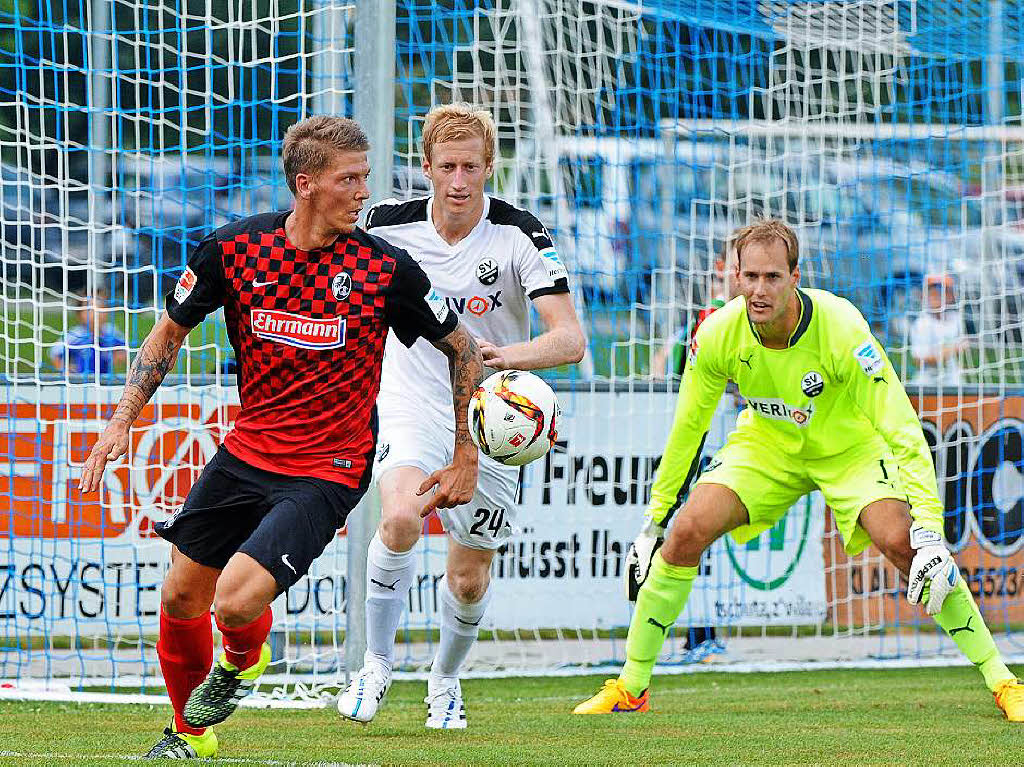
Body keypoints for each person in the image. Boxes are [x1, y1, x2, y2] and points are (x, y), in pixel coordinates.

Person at [78, 115, 485, 759]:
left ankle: (226, 681)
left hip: (330, 464)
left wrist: (466, 451)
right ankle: (196, 736)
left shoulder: (385, 269)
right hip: (247, 451)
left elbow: (461, 348)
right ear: (305, 184)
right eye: (348, 180)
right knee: (181, 595)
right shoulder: (233, 250)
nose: (363, 194)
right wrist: (123, 419)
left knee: (235, 602)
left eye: (365, 179)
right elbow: (167, 335)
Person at [573, 218, 1023, 721]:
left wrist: (933, 532)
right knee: (685, 532)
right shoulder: (718, 333)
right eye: (750, 278)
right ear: (735, 277)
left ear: (795, 277)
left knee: (905, 545)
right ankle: (631, 687)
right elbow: (688, 429)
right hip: (766, 445)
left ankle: (1005, 682)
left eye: (772, 278)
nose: (759, 291)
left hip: (849, 449)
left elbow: (900, 426)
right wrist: (653, 522)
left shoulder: (842, 327)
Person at [337, 103, 585, 729]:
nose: (457, 180)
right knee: (398, 515)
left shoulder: (520, 234)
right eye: (446, 166)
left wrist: (501, 355)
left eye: (470, 166)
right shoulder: (384, 227)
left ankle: (444, 681)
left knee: (469, 578)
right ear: (426, 168)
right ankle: (374, 665)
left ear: (487, 168)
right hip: (411, 398)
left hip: (489, 412)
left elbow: (570, 340)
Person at [51, 290, 127, 375]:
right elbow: (55, 353)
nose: (96, 313)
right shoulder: (76, 335)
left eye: (101, 307)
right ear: (79, 314)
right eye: (90, 309)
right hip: (81, 382)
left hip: (105, 380)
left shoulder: (111, 332)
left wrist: (117, 357)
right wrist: (67, 370)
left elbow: (123, 350)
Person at [909, 273, 964, 386]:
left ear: (950, 296)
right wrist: (949, 351)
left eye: (940, 292)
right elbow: (919, 360)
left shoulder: (955, 319)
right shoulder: (922, 324)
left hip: (952, 381)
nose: (935, 296)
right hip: (928, 383)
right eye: (931, 292)